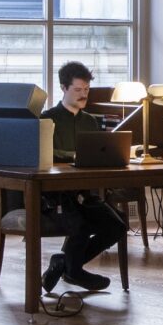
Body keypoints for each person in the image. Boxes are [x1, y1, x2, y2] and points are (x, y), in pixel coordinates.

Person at [39, 61, 127, 293]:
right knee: (79, 223)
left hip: (85, 193)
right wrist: (74, 155)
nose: (83, 95)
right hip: (57, 196)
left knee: (117, 226)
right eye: (78, 90)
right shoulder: (47, 119)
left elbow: (98, 153)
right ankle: (73, 270)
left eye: (86, 90)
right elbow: (46, 153)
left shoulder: (90, 121)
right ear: (63, 88)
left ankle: (67, 265)